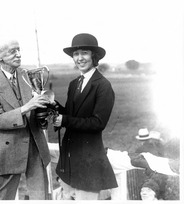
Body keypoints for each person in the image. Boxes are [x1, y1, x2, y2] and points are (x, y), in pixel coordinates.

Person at [0, 35, 51, 200]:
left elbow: (37, 109)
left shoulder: (28, 75)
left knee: (41, 197)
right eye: (12, 51)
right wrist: (27, 107)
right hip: (7, 149)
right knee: (3, 198)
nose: (18, 54)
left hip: (35, 145)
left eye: (19, 50)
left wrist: (45, 111)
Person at [52, 33, 118, 199]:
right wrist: (53, 105)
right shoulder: (74, 84)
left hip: (89, 161)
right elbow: (72, 114)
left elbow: (98, 123)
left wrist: (65, 120)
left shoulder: (103, 86)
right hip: (69, 157)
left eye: (84, 53)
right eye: (76, 54)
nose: (79, 58)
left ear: (94, 56)